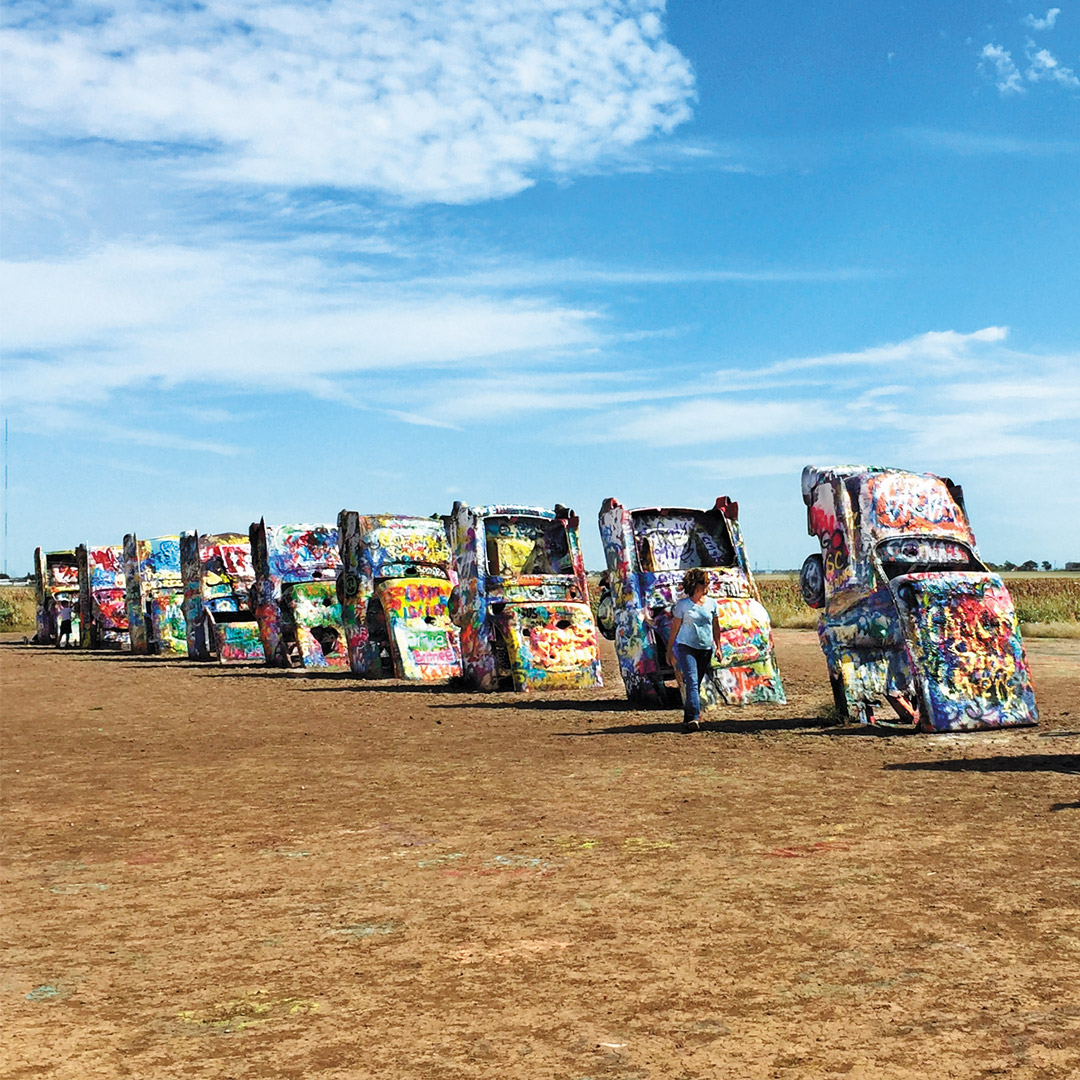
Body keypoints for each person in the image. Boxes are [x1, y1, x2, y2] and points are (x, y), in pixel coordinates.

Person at [665, 567, 722, 732]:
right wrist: (669, 650)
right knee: (691, 682)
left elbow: (716, 627)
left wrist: (718, 647)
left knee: (695, 684)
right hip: (686, 647)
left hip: (705, 648)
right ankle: (695, 717)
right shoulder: (682, 605)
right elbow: (675, 628)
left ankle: (688, 717)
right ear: (698, 585)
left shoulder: (712, 604)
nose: (708, 585)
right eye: (706, 582)